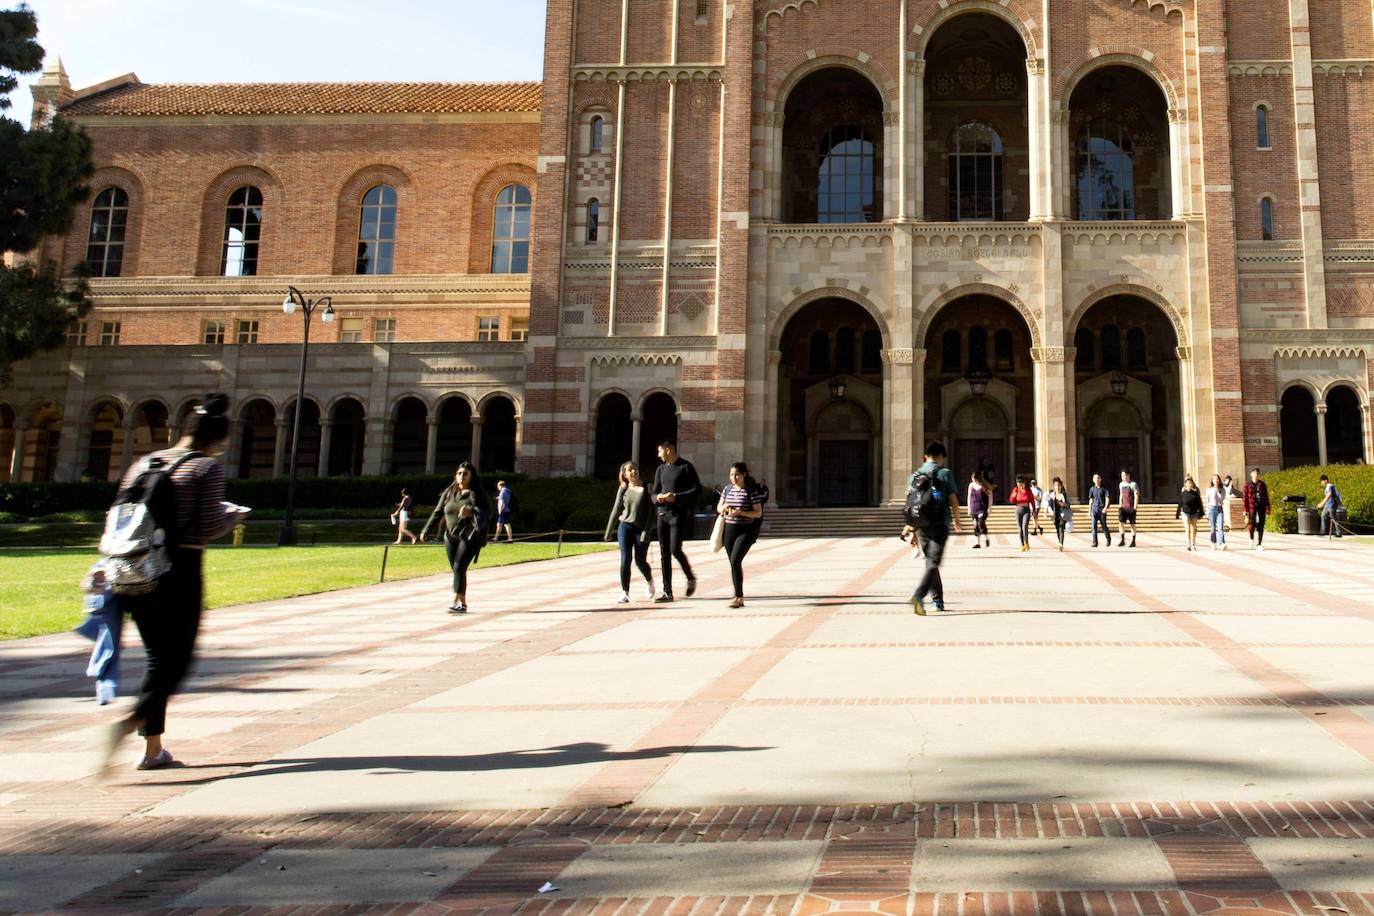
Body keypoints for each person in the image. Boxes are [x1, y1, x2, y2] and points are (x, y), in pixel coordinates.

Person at [105, 393, 246, 771]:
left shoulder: (143, 463)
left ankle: (153, 750)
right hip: (178, 567)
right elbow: (207, 525)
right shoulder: (205, 468)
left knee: (156, 658)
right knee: (177, 662)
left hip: (131, 568)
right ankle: (132, 721)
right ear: (218, 439)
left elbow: (118, 515)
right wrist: (232, 517)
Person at [420, 462, 490, 613]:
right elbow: (438, 512)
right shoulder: (449, 492)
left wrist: (471, 511)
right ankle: (463, 604)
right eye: (459, 473)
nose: (461, 476)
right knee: (458, 569)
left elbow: (487, 512)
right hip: (450, 537)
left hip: (469, 536)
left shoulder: (477, 493)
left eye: (465, 474)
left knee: (459, 567)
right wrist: (426, 529)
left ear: (471, 476)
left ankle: (454, 601)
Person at [905, 441, 962, 615]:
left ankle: (937, 600)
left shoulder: (914, 475)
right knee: (933, 562)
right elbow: (952, 500)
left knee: (931, 562)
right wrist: (957, 520)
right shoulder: (944, 473)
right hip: (939, 523)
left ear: (925, 456)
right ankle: (919, 595)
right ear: (940, 457)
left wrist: (910, 526)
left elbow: (912, 503)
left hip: (921, 524)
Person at [650, 439, 700, 602]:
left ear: (668, 450)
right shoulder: (660, 469)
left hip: (678, 515)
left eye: (660, 451)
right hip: (662, 514)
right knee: (664, 553)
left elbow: (696, 489)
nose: (658, 455)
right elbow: (653, 493)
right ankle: (667, 592)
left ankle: (690, 577)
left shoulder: (685, 467)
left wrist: (676, 497)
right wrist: (658, 497)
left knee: (674, 550)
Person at [604, 461, 656, 603]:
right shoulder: (623, 488)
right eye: (630, 470)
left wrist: (647, 531)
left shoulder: (647, 487)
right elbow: (616, 510)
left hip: (641, 528)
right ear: (625, 475)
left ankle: (650, 581)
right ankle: (624, 592)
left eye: (635, 469)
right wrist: (608, 531)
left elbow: (652, 513)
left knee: (640, 561)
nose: (634, 472)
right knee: (625, 559)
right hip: (625, 527)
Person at [717, 462, 765, 608]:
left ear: (744, 475)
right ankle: (737, 595)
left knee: (736, 560)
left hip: (745, 530)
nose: (734, 478)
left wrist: (742, 513)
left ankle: (739, 596)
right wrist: (723, 508)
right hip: (729, 529)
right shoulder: (727, 489)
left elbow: (758, 512)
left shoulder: (751, 491)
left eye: (737, 475)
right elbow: (719, 507)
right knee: (733, 563)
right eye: (731, 475)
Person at [1243, 467, 1272, 551]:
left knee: (1261, 526)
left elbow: (1266, 497)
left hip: (1261, 507)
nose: (1255, 475)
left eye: (1257, 473)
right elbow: (1245, 498)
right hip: (1252, 508)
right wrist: (1245, 510)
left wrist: (1268, 508)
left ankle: (1259, 544)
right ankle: (1251, 538)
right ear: (1251, 474)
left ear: (1259, 475)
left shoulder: (1262, 484)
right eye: (1254, 473)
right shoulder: (1247, 484)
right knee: (1252, 525)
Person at [1044, 477, 1073, 551]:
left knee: (1061, 527)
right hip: (1055, 515)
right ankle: (1060, 542)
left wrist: (1063, 504)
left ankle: (1061, 544)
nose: (1057, 487)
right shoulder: (1051, 495)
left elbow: (1069, 505)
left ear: (1061, 486)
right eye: (1056, 485)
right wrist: (1048, 512)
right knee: (1058, 529)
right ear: (1054, 486)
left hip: (1063, 514)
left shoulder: (1064, 495)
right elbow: (1049, 505)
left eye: (1058, 485)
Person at [1008, 475, 1036, 552]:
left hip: (1026, 510)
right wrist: (1014, 495)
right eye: (1018, 484)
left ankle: (1027, 543)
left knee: (1024, 527)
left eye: (1020, 484)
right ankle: (1022, 545)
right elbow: (1011, 500)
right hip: (1018, 510)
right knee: (1020, 529)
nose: (1019, 485)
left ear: (1024, 483)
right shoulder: (1016, 489)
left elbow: (1032, 501)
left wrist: (1034, 510)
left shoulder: (1028, 490)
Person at [966, 470, 993, 548]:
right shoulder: (971, 485)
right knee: (975, 525)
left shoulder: (985, 485)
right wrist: (969, 508)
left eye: (974, 479)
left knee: (981, 523)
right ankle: (978, 543)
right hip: (974, 508)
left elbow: (990, 496)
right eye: (972, 479)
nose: (973, 480)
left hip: (982, 508)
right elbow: (969, 497)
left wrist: (990, 507)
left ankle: (987, 537)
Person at [1177, 475, 1204, 551]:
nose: (1190, 484)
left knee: (1194, 529)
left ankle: (1193, 544)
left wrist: (1201, 513)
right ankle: (1188, 544)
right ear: (1185, 484)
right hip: (1185, 513)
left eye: (1191, 483)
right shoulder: (1183, 493)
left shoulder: (1195, 493)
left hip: (1194, 513)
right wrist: (1177, 513)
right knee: (1188, 528)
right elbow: (1180, 504)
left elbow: (1199, 503)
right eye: (1188, 483)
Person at [1087, 473, 1112, 547]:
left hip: (1102, 510)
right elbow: (1091, 500)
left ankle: (1108, 538)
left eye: (1098, 478)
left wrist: (1105, 508)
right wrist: (1089, 510)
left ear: (1100, 479)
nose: (1097, 480)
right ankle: (1095, 542)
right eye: (1095, 478)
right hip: (1094, 510)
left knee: (1104, 526)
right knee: (1093, 527)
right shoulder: (1092, 489)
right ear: (1093, 480)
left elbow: (1107, 498)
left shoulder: (1104, 489)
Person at [1205, 474, 1229, 550]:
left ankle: (1222, 543)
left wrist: (1218, 491)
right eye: (1214, 479)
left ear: (1219, 480)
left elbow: (1222, 499)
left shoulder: (1222, 490)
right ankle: (1213, 542)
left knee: (1220, 527)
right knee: (1212, 528)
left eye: (1217, 479)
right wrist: (1207, 512)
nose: (1216, 480)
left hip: (1219, 509)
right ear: (1212, 480)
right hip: (1211, 509)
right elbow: (1207, 501)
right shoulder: (1209, 490)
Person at [1118, 469, 1140, 548]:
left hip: (1130, 507)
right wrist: (1120, 504)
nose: (1122, 477)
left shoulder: (1133, 484)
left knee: (1132, 524)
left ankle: (1133, 541)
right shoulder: (1121, 484)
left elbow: (1136, 495)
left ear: (1128, 475)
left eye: (1124, 475)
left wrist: (1135, 506)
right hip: (1123, 507)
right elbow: (1121, 494)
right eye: (1122, 475)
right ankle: (1122, 540)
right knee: (1121, 523)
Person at [1318, 473, 1343, 539]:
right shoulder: (1327, 487)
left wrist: (1322, 503)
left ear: (1325, 481)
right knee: (1323, 516)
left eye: (1322, 481)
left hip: (1331, 505)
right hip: (1327, 505)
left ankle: (1338, 532)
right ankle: (1322, 531)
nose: (1321, 483)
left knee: (1333, 518)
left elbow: (1329, 495)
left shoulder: (1330, 486)